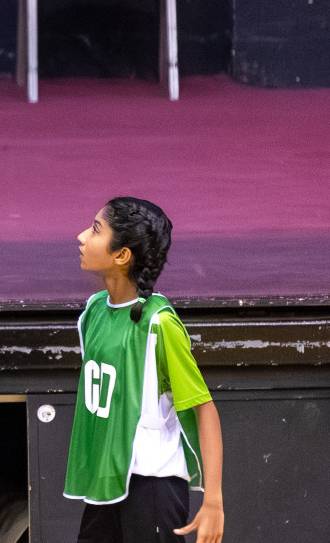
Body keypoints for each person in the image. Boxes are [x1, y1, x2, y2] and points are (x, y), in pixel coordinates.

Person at [68, 197, 225, 543]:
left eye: (95, 230)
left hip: (152, 485)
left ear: (121, 255)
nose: (81, 236)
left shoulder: (160, 325)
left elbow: (204, 408)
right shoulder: (94, 311)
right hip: (107, 482)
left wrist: (213, 500)